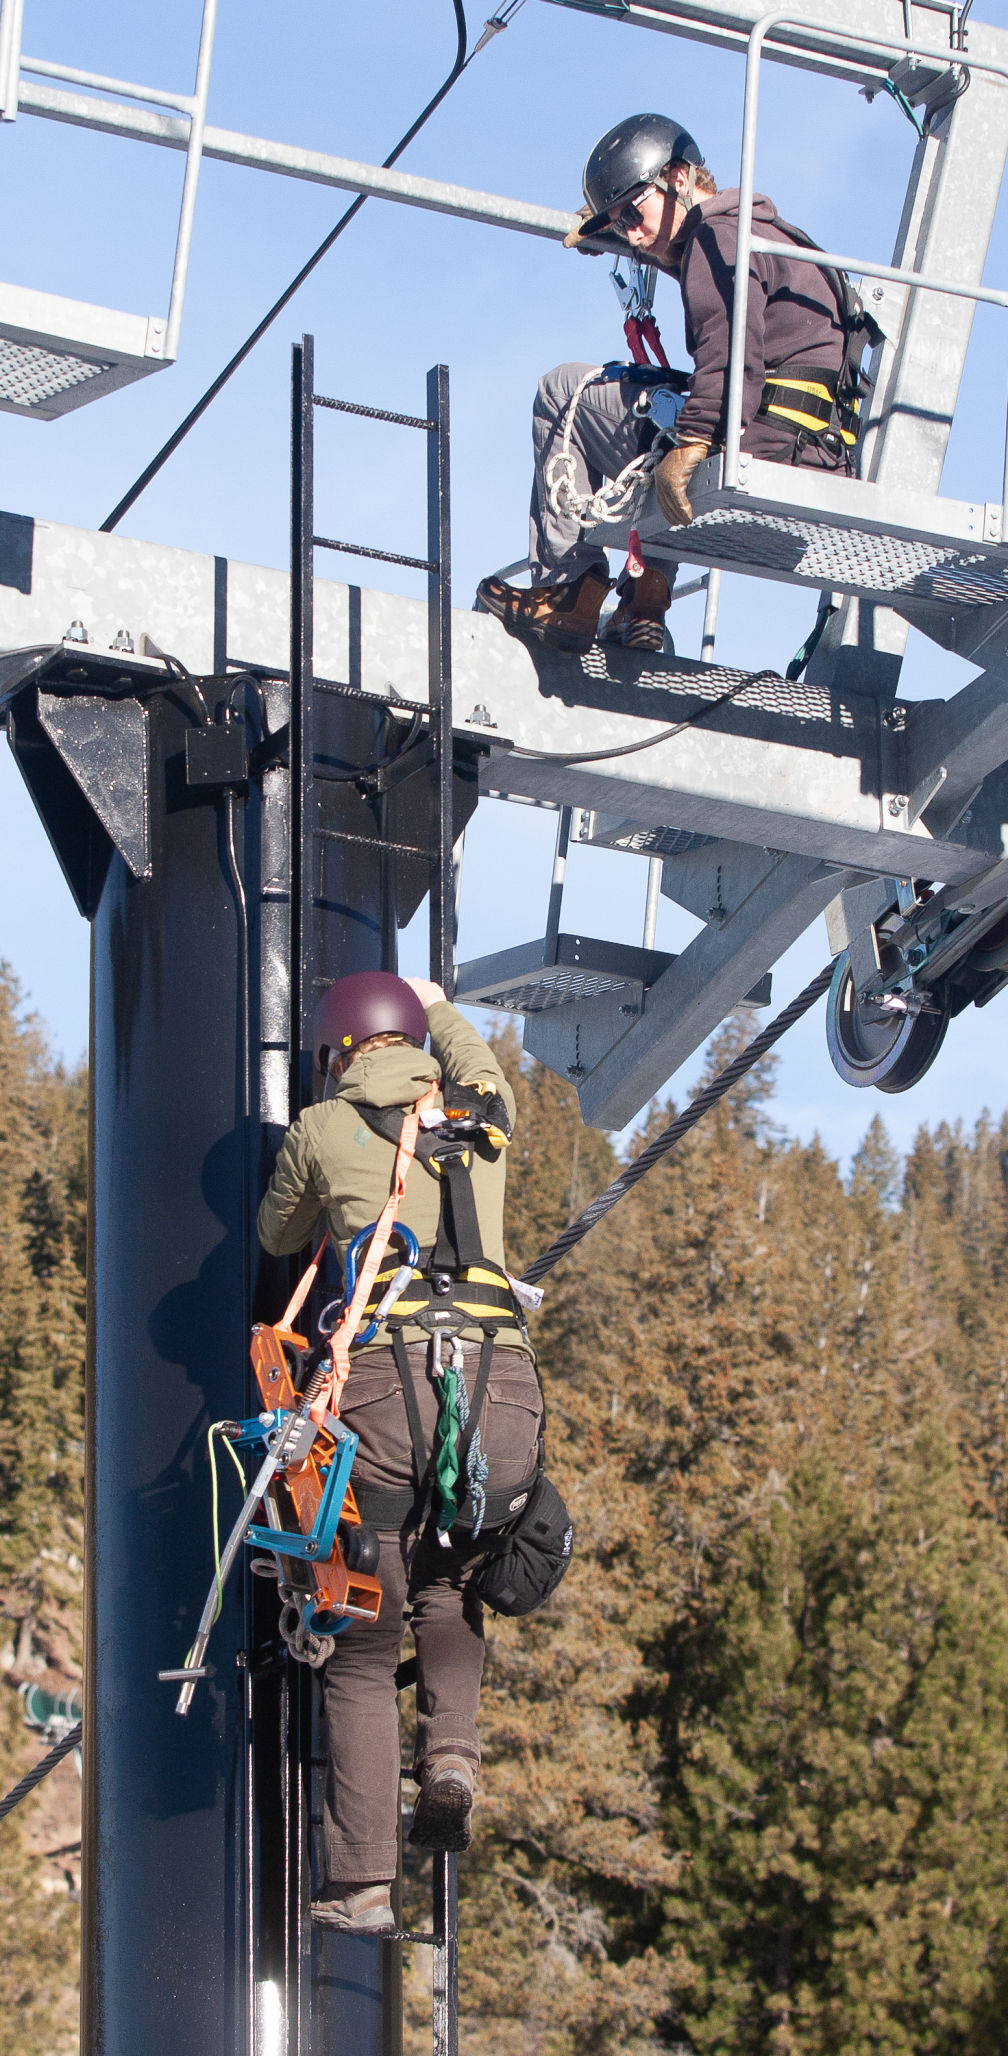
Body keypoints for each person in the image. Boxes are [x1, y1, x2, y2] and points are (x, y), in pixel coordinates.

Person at [257, 970, 546, 1935]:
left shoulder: (322, 1128)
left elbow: (275, 1232)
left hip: (384, 1387)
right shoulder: (486, 1114)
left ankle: (361, 1885)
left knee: (363, 1637)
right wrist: (438, 1002)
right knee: (453, 1580)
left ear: (341, 1050)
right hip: (501, 1389)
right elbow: (477, 1061)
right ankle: (453, 1756)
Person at [477, 111, 857, 655]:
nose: (632, 234)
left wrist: (695, 440)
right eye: (619, 220)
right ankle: (644, 600)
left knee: (563, 390)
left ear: (679, 179)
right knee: (666, 409)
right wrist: (607, 226)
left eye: (635, 211)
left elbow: (730, 351)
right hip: (810, 447)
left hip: (758, 442)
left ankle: (568, 591)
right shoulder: (759, 236)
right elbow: (734, 313)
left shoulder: (714, 241)